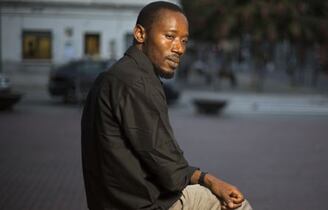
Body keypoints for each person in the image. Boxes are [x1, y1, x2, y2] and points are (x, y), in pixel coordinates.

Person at [81, 1, 252, 210]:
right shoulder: (138, 82)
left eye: (184, 40)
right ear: (140, 34)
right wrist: (211, 181)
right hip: (145, 205)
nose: (179, 49)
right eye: (169, 37)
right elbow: (170, 169)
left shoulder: (113, 76)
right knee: (235, 204)